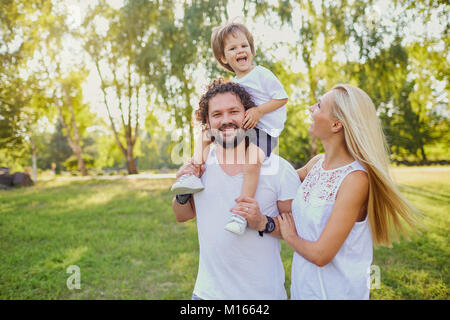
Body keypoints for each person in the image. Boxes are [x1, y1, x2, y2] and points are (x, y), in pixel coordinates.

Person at [278, 84, 418, 300]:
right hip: (304, 291)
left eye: (319, 105)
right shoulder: (315, 164)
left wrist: (289, 236)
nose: (310, 108)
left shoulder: (355, 180)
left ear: (336, 124)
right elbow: (277, 181)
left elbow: (321, 254)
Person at [172, 79, 300, 300]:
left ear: (247, 115)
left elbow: (299, 230)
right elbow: (181, 215)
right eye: (217, 114)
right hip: (206, 294)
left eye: (234, 112)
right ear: (207, 122)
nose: (226, 120)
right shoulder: (199, 165)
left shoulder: (279, 169)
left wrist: (263, 222)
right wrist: (183, 190)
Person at [171, 22, 289, 236]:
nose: (240, 51)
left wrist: (259, 111)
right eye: (233, 48)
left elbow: (282, 98)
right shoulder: (236, 84)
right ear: (224, 58)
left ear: (252, 51)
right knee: (205, 135)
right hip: (249, 129)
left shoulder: (262, 73)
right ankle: (194, 172)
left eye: (244, 46)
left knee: (252, 163)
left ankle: (241, 213)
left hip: (266, 132)